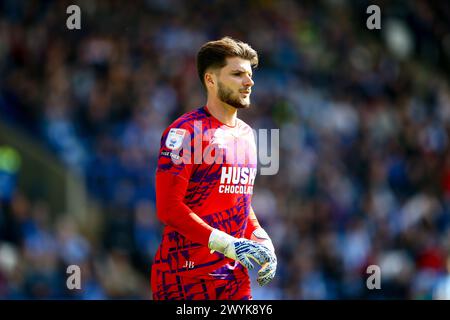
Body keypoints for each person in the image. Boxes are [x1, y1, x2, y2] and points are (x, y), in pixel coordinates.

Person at [151, 37, 277, 300]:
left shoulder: (247, 135)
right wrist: (228, 244)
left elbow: (238, 201)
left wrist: (261, 239)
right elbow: (168, 208)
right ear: (210, 80)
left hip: (233, 280)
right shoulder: (185, 132)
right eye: (237, 74)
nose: (249, 82)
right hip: (184, 280)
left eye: (250, 74)